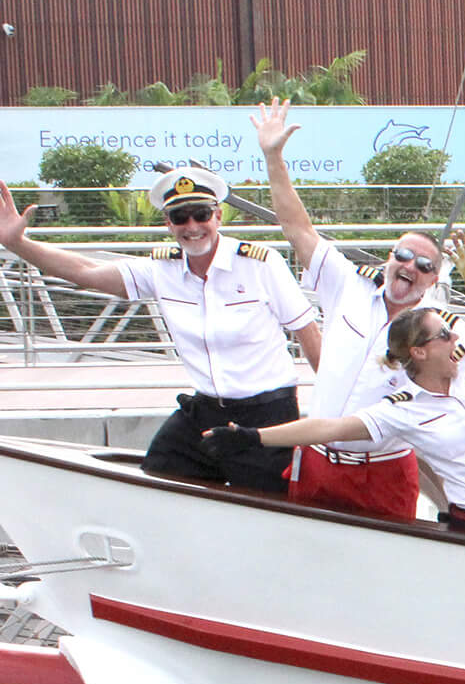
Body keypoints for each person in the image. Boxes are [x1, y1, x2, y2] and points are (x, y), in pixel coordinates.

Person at [251, 97, 465, 521]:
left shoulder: (441, 330)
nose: (410, 265)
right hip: (316, 462)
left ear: (434, 280)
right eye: (403, 254)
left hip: (385, 470)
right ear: (389, 257)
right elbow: (298, 227)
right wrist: (273, 157)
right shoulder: (347, 286)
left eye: (425, 265)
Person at [0, 168, 320, 494]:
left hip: (267, 416)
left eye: (201, 214)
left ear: (218, 216)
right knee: (157, 482)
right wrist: (17, 243)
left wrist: (337, 406)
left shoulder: (259, 264)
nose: (192, 226)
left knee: (265, 511)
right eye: (181, 217)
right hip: (205, 410)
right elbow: (86, 270)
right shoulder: (162, 269)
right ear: (169, 224)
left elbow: (307, 332)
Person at [201, 305, 465, 543]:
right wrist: (252, 437)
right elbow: (328, 429)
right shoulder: (399, 410)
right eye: (445, 335)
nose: (456, 338)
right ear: (419, 352)